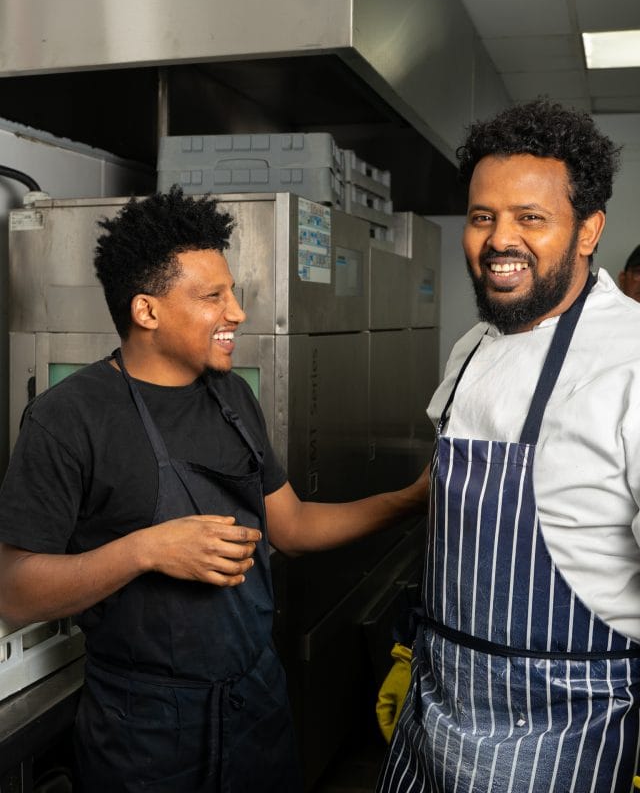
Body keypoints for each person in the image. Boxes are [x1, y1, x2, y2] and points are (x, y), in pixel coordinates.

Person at [0, 186, 427, 793]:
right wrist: (147, 550)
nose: (237, 312)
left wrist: (415, 500)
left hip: (258, 704)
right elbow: (13, 592)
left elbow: (295, 529)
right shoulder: (67, 419)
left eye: (233, 292)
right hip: (146, 731)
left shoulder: (231, 397)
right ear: (146, 311)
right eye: (213, 297)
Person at [377, 98, 640, 793]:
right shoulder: (472, 349)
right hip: (436, 699)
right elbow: (449, 503)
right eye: (483, 216)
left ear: (588, 232)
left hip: (565, 728)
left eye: (531, 218)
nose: (499, 240)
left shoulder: (630, 359)